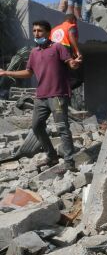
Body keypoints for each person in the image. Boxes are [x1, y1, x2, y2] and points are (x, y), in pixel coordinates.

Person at [0, 20, 80, 170]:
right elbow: (28, 72)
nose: (36, 33)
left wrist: (74, 63)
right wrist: (6, 72)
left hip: (57, 95)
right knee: (36, 127)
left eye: (40, 31)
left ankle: (69, 163)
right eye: (35, 31)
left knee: (62, 127)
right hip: (41, 96)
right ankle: (51, 156)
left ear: (48, 33)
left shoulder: (58, 47)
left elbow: (70, 63)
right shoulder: (34, 52)